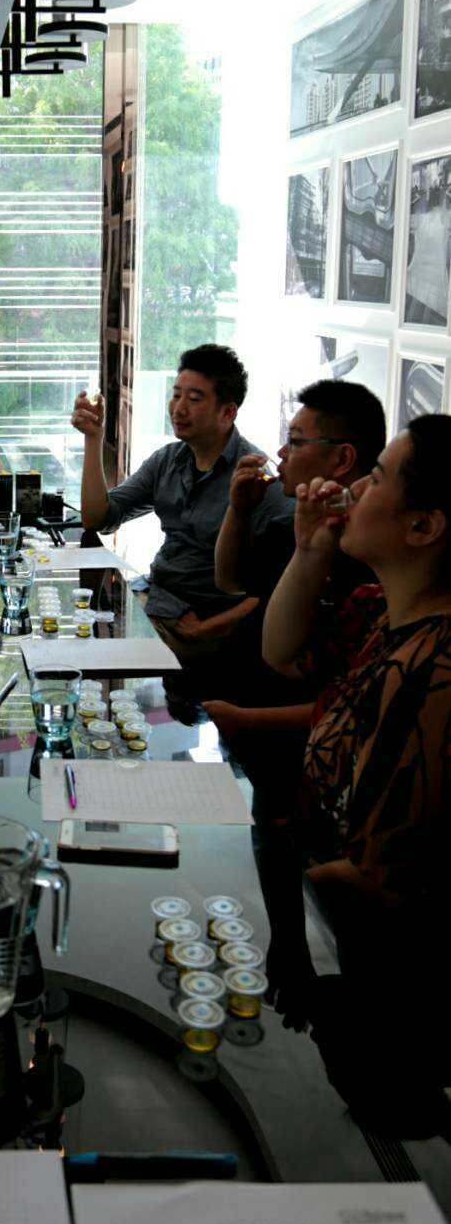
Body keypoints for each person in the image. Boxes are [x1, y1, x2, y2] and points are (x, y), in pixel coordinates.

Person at [258, 418, 451, 1126]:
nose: (355, 486)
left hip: (392, 993)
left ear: (423, 525)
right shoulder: (385, 613)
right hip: (339, 933)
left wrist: (272, 899)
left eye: (378, 476)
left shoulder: (434, 668)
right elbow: (281, 653)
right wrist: (310, 549)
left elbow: (381, 879)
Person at [71, 344, 292, 713]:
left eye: (194, 398)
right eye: (176, 395)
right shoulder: (169, 461)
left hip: (203, 627)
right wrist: (93, 439)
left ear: (228, 412)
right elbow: (100, 518)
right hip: (156, 604)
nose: (178, 408)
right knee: (76, 641)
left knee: (90, 670)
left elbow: (279, 587)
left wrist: (211, 628)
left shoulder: (255, 478)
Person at [206, 378, 386, 756]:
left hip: (301, 748)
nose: (281, 452)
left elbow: (358, 703)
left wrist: (244, 719)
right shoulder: (294, 526)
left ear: (343, 460)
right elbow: (230, 580)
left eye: (296, 441)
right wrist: (239, 509)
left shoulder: (372, 562)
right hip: (242, 708)